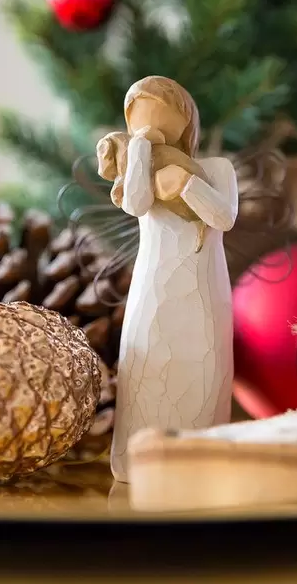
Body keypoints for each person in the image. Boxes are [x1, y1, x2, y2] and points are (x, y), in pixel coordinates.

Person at [97, 76, 238, 482]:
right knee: (146, 370)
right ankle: (136, 457)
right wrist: (140, 148)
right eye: (139, 117)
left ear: (185, 121)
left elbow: (224, 217)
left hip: (203, 290)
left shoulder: (215, 169)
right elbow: (138, 202)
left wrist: (188, 185)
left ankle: (200, 456)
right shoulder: (137, 162)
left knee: (202, 372)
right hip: (152, 287)